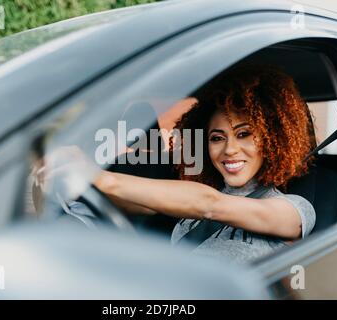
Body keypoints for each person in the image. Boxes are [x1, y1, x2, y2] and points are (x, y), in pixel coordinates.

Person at [91, 65, 316, 263]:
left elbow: (210, 205)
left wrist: (100, 178)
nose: (229, 149)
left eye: (244, 134)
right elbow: (139, 204)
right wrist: (78, 187)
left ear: (272, 139)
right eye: (217, 138)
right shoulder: (193, 199)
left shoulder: (294, 209)